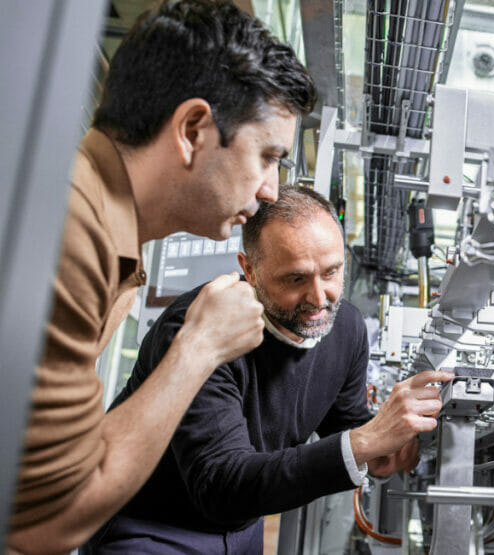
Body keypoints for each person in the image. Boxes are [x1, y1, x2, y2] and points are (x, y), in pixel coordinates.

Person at [8, 2, 318, 552]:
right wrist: (199, 347)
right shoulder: (70, 234)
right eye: (267, 156)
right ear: (193, 130)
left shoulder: (104, 231)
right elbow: (46, 517)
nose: (271, 190)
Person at [82, 186, 451, 552]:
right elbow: (219, 484)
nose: (319, 298)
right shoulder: (199, 328)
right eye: (295, 279)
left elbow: (344, 422)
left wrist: (384, 447)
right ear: (250, 270)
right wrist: (362, 443)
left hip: (243, 525)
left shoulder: (346, 329)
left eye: (331, 272)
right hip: (152, 525)